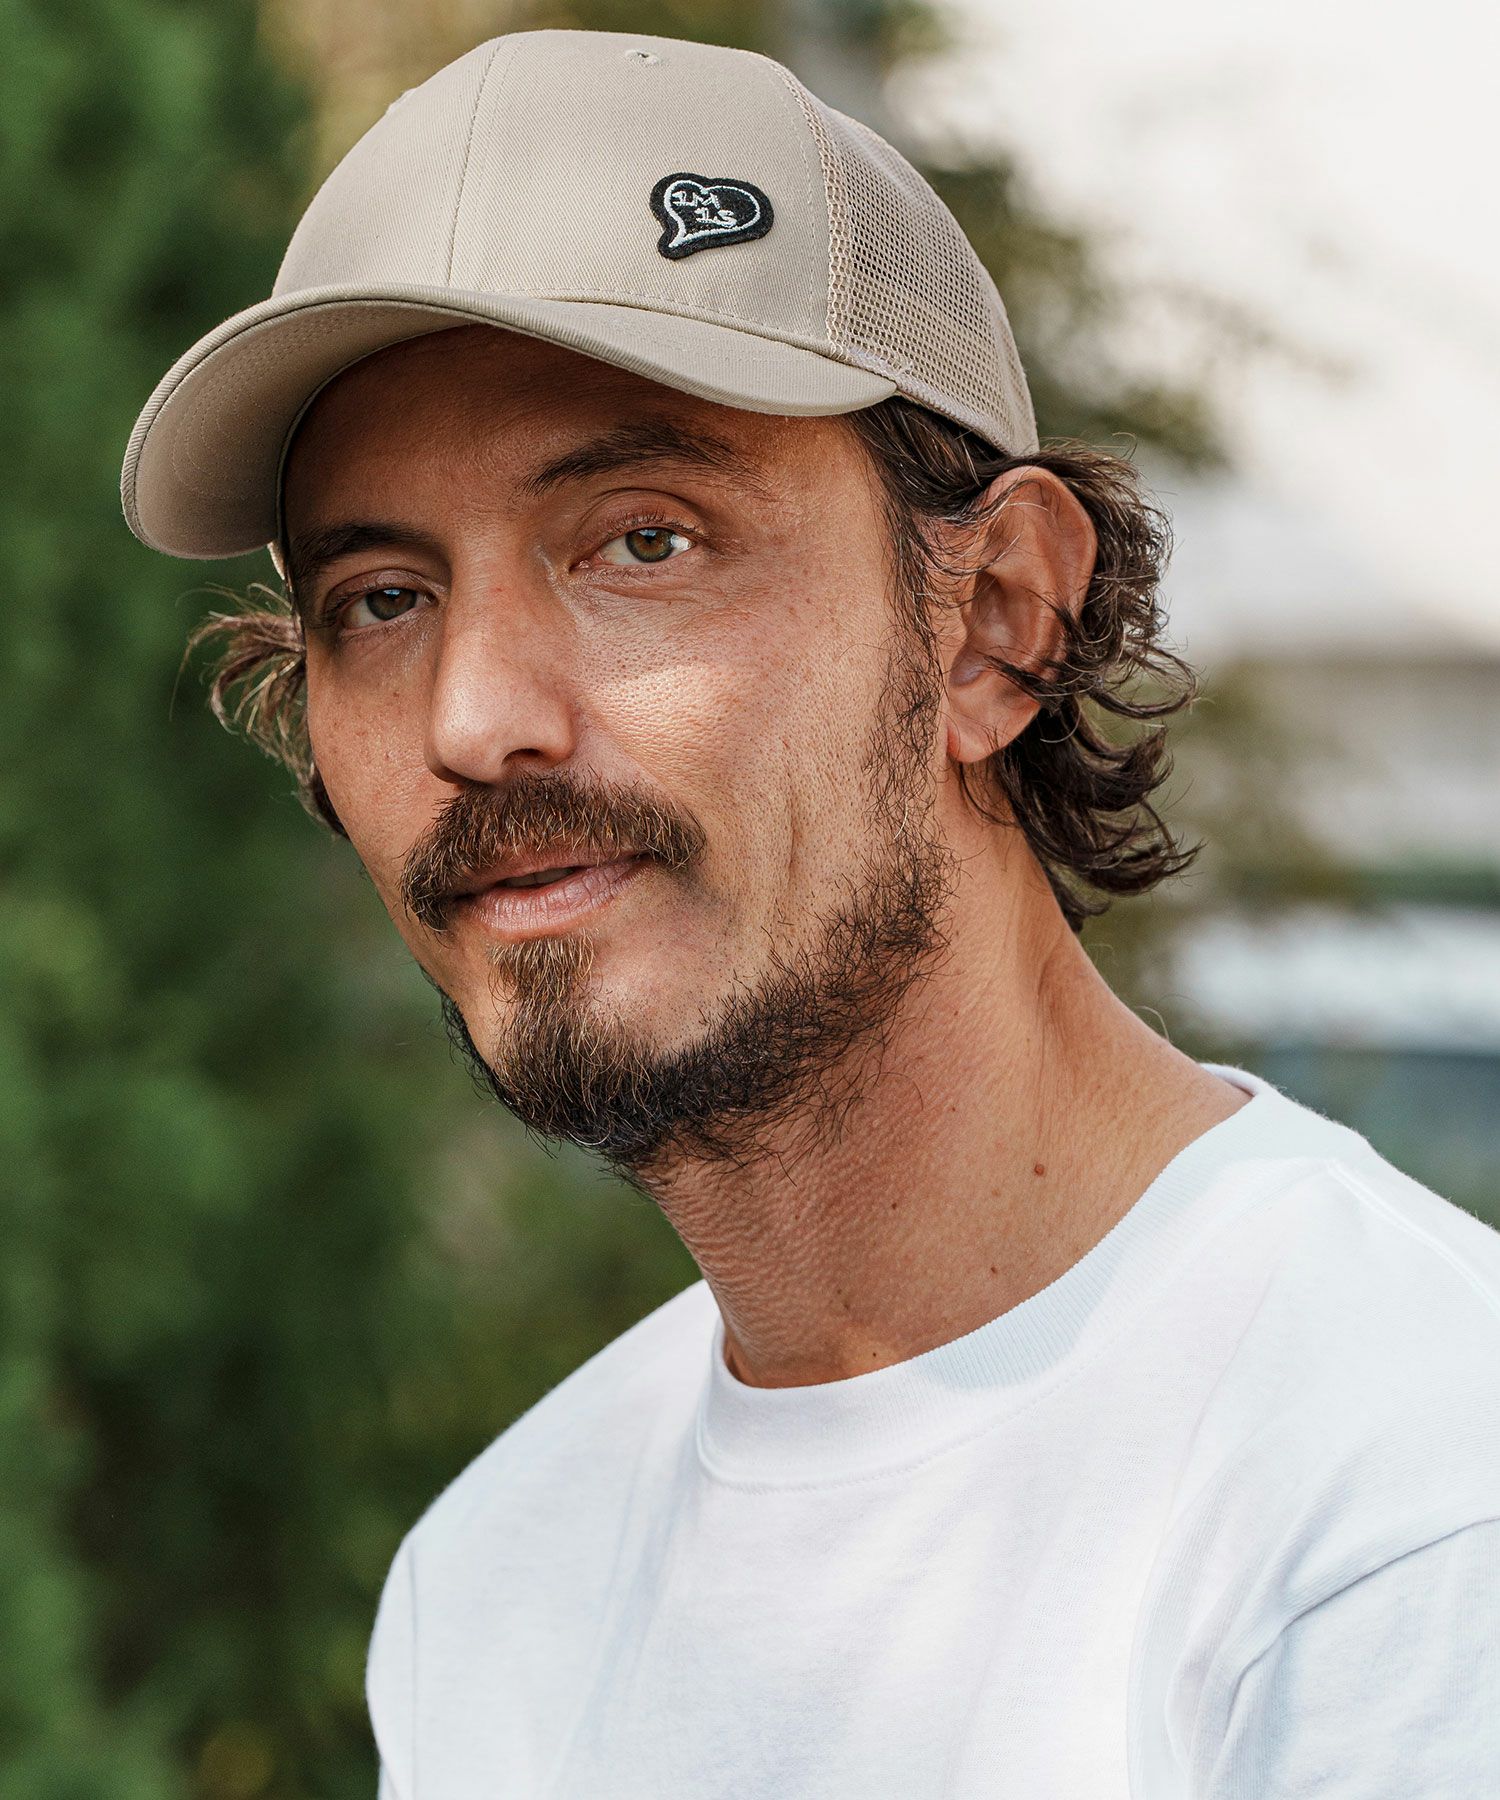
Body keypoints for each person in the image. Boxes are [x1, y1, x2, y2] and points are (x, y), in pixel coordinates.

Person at [120, 27, 1500, 1800]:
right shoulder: (495, 1586)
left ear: (995, 620)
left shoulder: (1411, 1508)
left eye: (644, 541)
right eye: (382, 598)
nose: (473, 717)